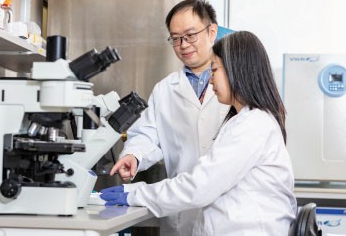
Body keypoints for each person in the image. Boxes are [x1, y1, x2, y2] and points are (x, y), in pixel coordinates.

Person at [101, 31, 297, 236]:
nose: (211, 80)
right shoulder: (245, 120)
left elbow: (200, 186)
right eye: (176, 38)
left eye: (214, 70)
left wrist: (136, 194)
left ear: (236, 70)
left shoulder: (252, 124)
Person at [108, 0, 229, 236]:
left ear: (211, 31)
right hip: (181, 213)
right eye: (176, 38)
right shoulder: (165, 89)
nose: (183, 45)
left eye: (191, 35)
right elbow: (147, 135)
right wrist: (133, 155)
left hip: (225, 210)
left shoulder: (235, 85)